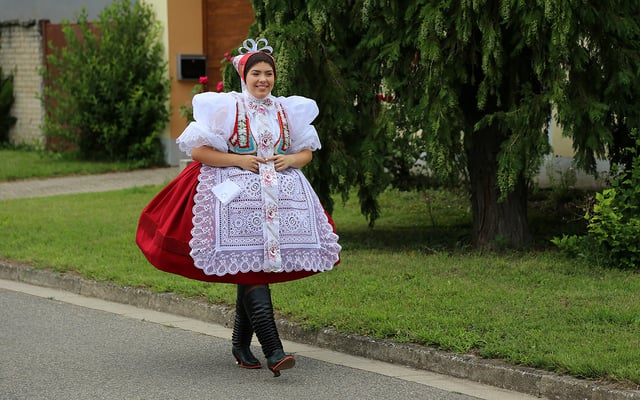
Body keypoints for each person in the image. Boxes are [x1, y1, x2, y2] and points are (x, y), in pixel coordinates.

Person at [136, 38, 341, 377]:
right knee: (252, 269)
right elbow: (199, 151)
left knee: (252, 268)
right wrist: (239, 160)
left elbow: (306, 151)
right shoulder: (227, 107)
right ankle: (274, 351)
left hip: (278, 201)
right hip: (233, 203)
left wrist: (291, 159)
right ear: (244, 77)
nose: (263, 79)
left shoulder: (287, 109)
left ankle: (240, 344)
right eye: (256, 73)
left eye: (268, 74)